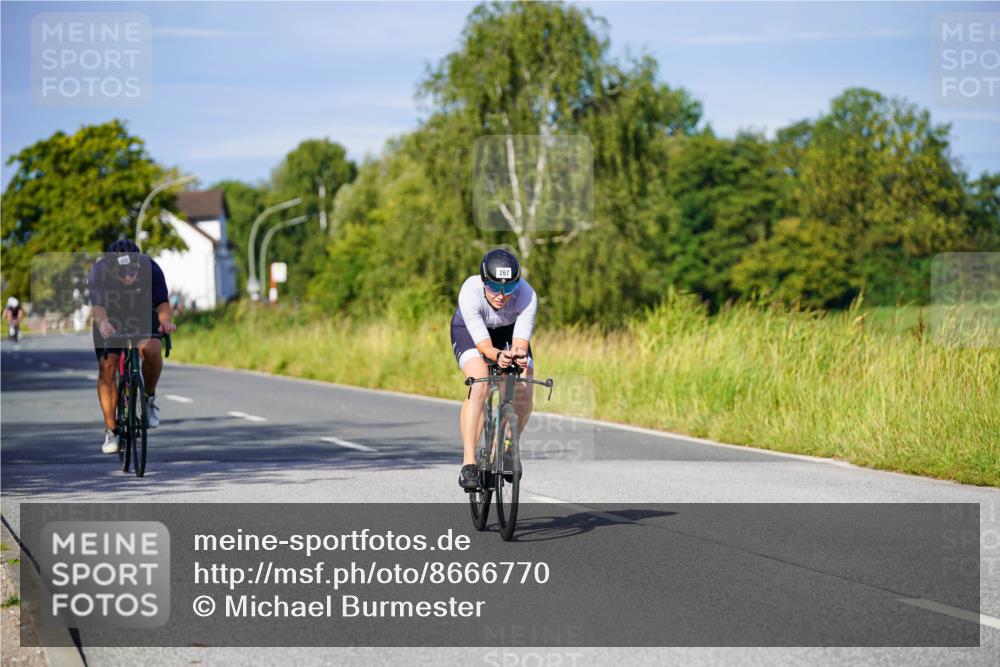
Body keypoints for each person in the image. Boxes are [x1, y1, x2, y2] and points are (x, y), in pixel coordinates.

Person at [450, 248, 537, 489]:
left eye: (509, 288)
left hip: (507, 334)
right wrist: (497, 356)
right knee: (479, 384)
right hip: (472, 333)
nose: (501, 295)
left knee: (525, 387)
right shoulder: (470, 292)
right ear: (483, 281)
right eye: (494, 288)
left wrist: (518, 358)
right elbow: (485, 347)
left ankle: (507, 448)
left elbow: (520, 343)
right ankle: (469, 463)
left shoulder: (527, 296)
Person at [89, 239, 176, 454]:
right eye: (122, 273)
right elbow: (98, 308)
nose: (128, 277)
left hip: (141, 314)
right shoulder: (99, 272)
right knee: (107, 368)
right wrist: (104, 323)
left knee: (153, 349)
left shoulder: (150, 268)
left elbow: (163, 302)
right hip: (111, 315)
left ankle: (148, 399)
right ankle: (112, 430)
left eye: (132, 272)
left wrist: (164, 321)